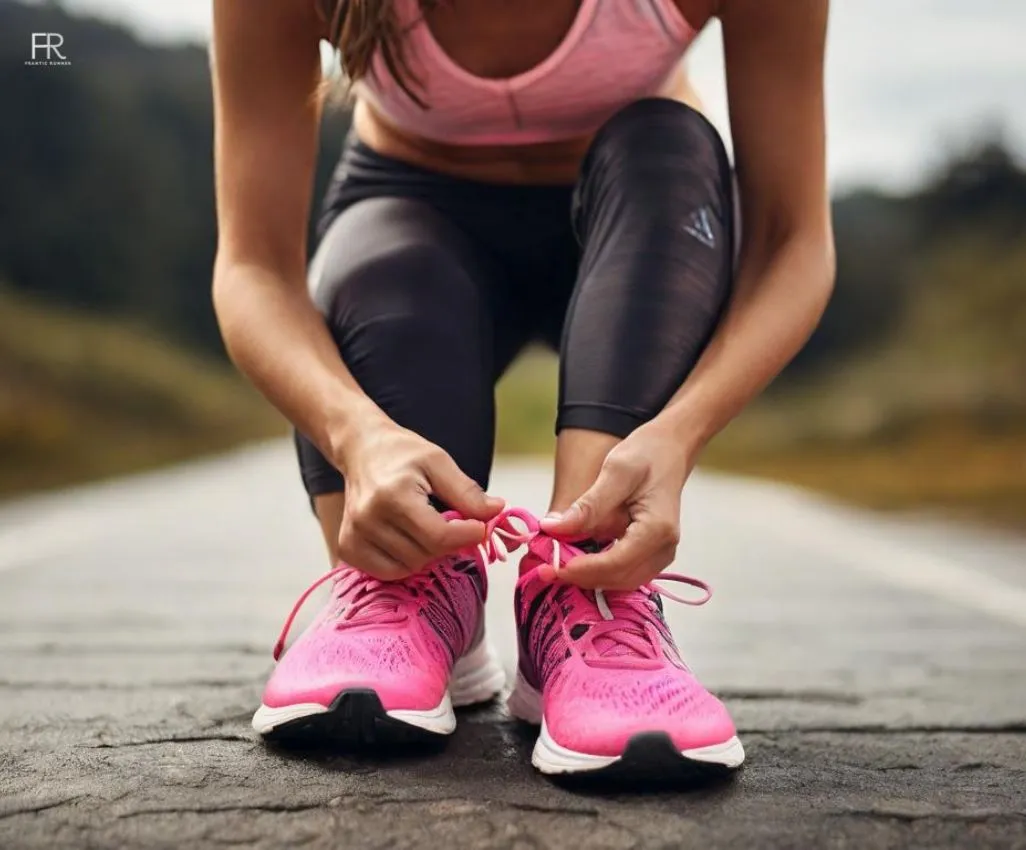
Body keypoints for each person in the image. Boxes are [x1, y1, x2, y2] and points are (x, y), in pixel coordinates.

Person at [210, 0, 833, 777]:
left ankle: (586, 590)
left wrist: (683, 431)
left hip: (643, 219)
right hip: (410, 226)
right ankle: (410, 583)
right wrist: (355, 434)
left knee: (667, 148)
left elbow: (791, 240)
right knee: (388, 261)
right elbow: (253, 268)